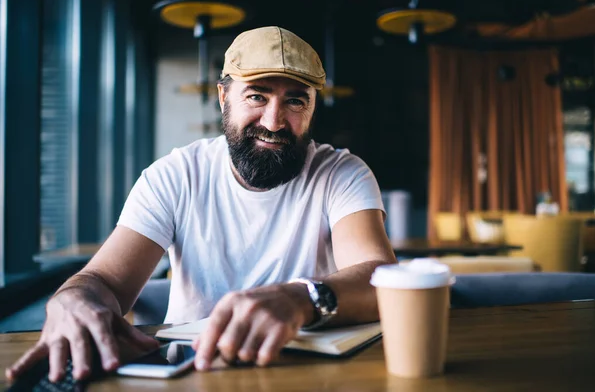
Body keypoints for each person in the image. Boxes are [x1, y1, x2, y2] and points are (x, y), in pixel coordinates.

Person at [6, 26, 396, 383]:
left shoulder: (342, 172)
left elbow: (379, 277)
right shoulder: (174, 176)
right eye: (257, 96)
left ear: (312, 107)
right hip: (190, 374)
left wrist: (300, 297)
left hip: (305, 375)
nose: (275, 121)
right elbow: (104, 282)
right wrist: (74, 298)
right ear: (223, 95)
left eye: (295, 101)